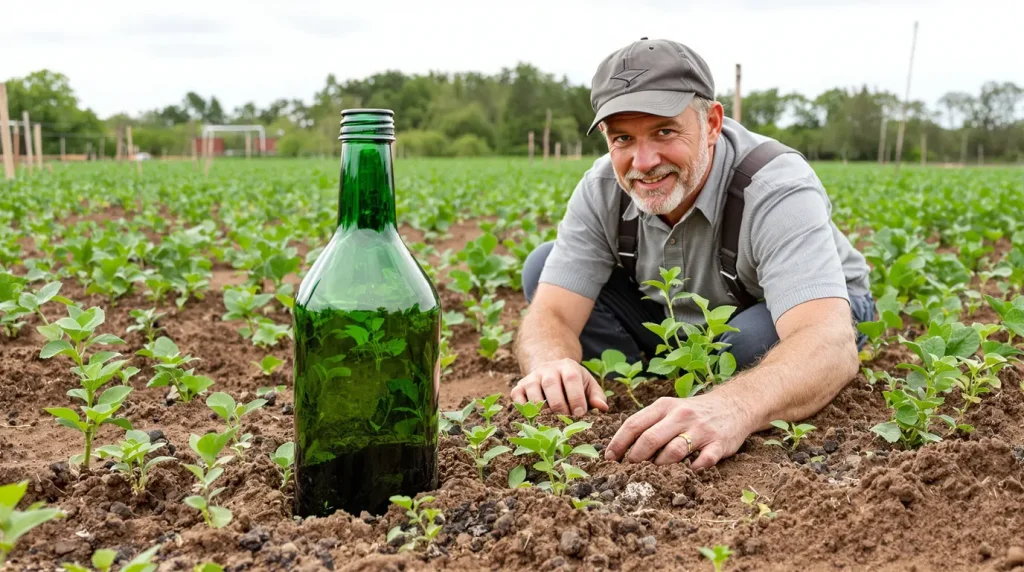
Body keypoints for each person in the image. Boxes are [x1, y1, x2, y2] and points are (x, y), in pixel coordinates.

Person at [510, 38, 874, 471]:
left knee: (746, 348)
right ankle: (655, 379)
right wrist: (551, 365)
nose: (643, 162)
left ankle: (709, 389)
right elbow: (551, 313)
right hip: (679, 316)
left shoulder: (774, 185)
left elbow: (825, 340)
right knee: (542, 267)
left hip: (804, 311)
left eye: (664, 131)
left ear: (713, 123)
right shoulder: (601, 188)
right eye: (623, 138)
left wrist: (732, 405)